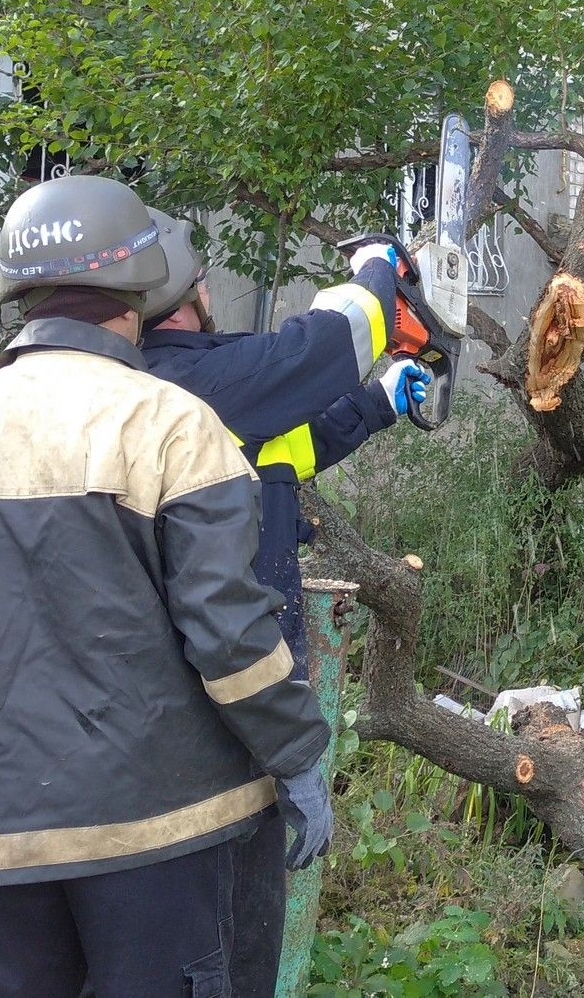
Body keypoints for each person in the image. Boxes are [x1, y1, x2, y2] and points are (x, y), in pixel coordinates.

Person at [0, 176, 336, 998]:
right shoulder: (175, 428)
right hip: (163, 833)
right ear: (141, 288)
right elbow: (230, 633)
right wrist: (298, 756)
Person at [137, 210, 430, 995]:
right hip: (221, 726)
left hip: (211, 720)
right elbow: (327, 342)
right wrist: (378, 269)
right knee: (226, 954)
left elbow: (285, 449)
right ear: (186, 292)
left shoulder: (195, 397)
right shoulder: (189, 381)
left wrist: (377, 403)